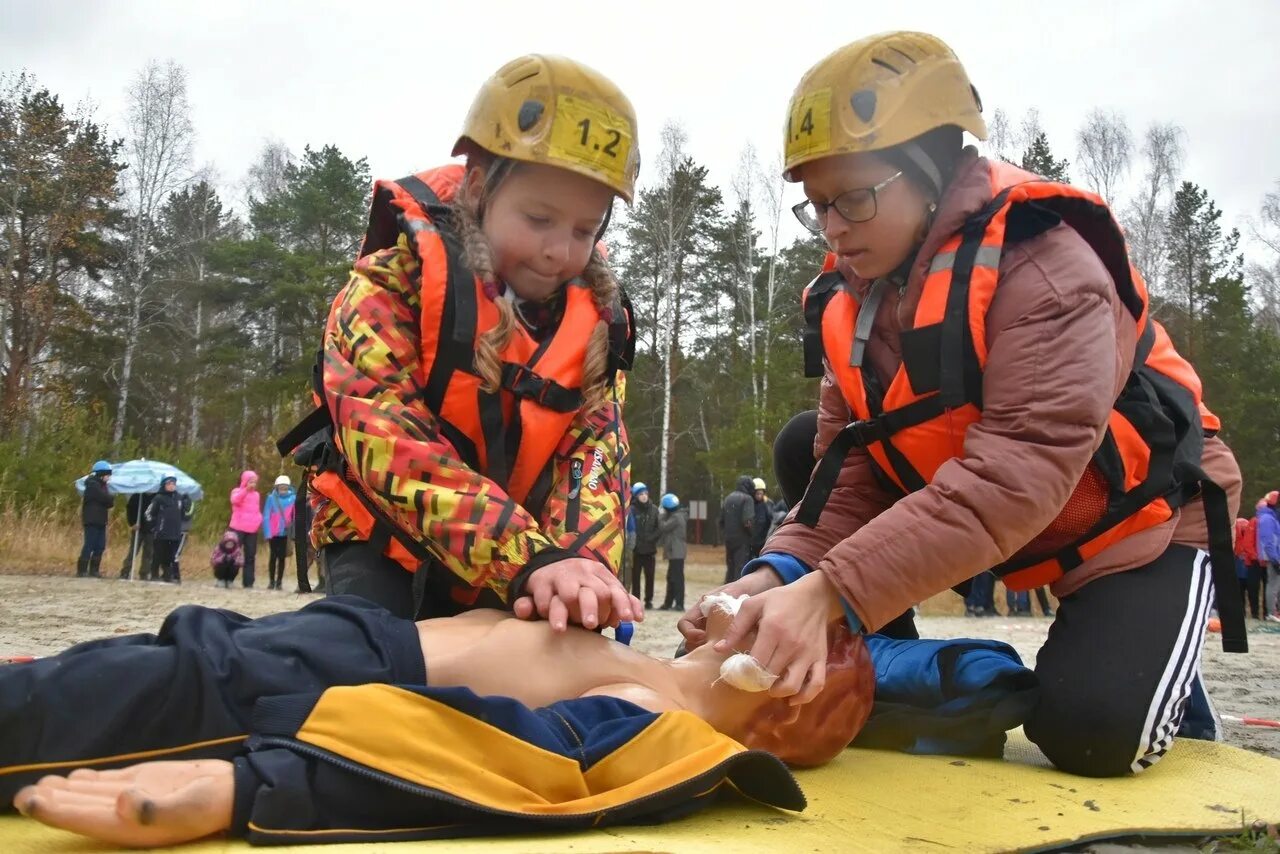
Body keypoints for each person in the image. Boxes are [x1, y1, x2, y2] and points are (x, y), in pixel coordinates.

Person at [680, 31, 1243, 778]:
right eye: (816, 207)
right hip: (1007, 523)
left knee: (1094, 735)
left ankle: (1157, 655)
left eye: (853, 198)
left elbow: (1017, 475)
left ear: (934, 172)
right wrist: (769, 578)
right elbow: (845, 480)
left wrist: (832, 594)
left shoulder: (1048, 272)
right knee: (799, 446)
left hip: (1137, 521)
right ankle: (887, 661)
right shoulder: (849, 302)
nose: (833, 228)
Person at [1, 596, 872, 848]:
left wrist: (248, 789)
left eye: (800, 624)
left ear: (784, 692)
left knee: (48, 713)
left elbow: (506, 765)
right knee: (78, 679)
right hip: (308, 641)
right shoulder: (645, 655)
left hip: (272, 699)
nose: (772, 600)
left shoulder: (662, 719)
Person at [275, 54, 640, 631]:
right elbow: (387, 443)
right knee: (370, 660)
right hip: (382, 539)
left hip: (525, 557)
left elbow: (594, 459)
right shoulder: (388, 288)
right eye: (540, 218)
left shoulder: (597, 328)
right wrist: (528, 557)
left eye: (584, 230)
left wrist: (576, 567)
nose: (558, 251)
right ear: (477, 189)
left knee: (569, 670)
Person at [145, 476, 192, 584]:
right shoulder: (158, 498)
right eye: (169, 484)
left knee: (170, 556)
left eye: (173, 484)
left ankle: (168, 575)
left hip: (175, 532)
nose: (171, 486)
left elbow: (186, 516)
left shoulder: (179, 498)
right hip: (161, 532)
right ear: (164, 485)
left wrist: (187, 506)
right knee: (158, 554)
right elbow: (148, 513)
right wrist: (153, 526)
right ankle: (154, 574)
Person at [77, 460, 115, 578]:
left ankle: (94, 570)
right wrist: (109, 497)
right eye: (107, 474)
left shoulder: (102, 486)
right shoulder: (92, 485)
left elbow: (109, 503)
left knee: (100, 545)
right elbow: (107, 499)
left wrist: (109, 498)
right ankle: (82, 570)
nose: (109, 477)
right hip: (92, 519)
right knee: (89, 544)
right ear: (101, 474)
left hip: (101, 519)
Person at [629, 482, 661, 608]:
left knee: (650, 577)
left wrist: (651, 539)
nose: (644, 496)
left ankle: (649, 600)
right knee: (635, 577)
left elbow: (659, 528)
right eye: (641, 494)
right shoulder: (631, 509)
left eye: (645, 493)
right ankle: (636, 600)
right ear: (636, 496)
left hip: (650, 550)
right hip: (636, 551)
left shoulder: (654, 509)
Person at [262, 475, 297, 591]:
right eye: (281, 488)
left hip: (285, 533)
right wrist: (267, 533)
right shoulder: (271, 498)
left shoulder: (293, 498)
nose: (283, 490)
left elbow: (295, 516)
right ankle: (271, 581)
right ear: (277, 487)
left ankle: (279, 582)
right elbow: (266, 515)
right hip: (273, 533)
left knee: (282, 558)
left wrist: (294, 532)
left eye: (285, 488)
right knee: (273, 557)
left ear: (288, 487)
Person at [228, 471, 261, 589]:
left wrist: (258, 520)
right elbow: (235, 501)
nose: (253, 484)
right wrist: (245, 490)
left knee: (250, 556)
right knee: (233, 554)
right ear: (245, 481)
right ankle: (228, 578)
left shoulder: (256, 495)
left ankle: (248, 582)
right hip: (237, 527)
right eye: (251, 481)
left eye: (255, 482)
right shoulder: (236, 491)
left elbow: (256, 510)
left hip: (252, 529)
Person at [720, 475, 755, 583]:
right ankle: (736, 595)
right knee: (740, 568)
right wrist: (752, 534)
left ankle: (726, 591)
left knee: (730, 568)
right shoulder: (747, 499)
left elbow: (721, 520)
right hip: (742, 540)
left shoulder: (728, 498)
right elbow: (747, 521)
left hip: (729, 538)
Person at [658, 492, 688, 611]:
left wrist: (660, 515)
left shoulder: (676, 517)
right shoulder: (678, 515)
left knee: (677, 578)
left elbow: (663, 527)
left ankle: (679, 604)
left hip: (677, 552)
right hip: (675, 552)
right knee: (671, 577)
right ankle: (669, 603)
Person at [118, 491, 156, 579]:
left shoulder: (157, 498)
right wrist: (132, 523)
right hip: (138, 528)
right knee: (133, 551)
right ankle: (125, 571)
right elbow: (129, 510)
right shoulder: (137, 496)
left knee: (149, 552)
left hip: (151, 529)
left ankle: (144, 572)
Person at [1257, 492, 1280, 621]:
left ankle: (1274, 612)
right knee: (1273, 584)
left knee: (1277, 585)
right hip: (1274, 557)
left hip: (1276, 555)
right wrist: (1274, 558)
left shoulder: (1271, 517)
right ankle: (1271, 613)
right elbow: (1268, 541)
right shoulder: (1267, 518)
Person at [749, 477, 771, 560]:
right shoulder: (749, 504)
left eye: (761, 493)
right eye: (757, 493)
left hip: (763, 540)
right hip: (751, 541)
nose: (759, 495)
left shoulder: (768, 504)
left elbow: (770, 521)